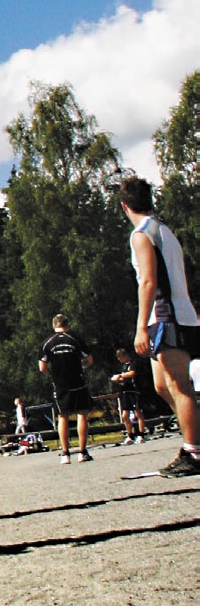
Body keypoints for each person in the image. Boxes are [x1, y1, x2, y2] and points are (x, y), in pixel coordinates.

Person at [118, 178, 200, 478]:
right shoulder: (164, 230)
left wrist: (140, 327)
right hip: (176, 313)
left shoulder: (142, 235)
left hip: (166, 315)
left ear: (125, 206)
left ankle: (194, 451)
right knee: (161, 386)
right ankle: (194, 440)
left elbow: (149, 281)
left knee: (180, 385)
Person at [38, 314, 94, 463]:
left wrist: (51, 376)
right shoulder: (75, 339)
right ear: (68, 325)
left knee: (63, 416)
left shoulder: (47, 344)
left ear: (53, 325)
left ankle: (65, 453)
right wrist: (83, 367)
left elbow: (42, 367)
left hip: (60, 383)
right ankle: (82, 452)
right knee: (81, 413)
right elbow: (89, 359)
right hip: (78, 381)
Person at [110, 346, 151, 445]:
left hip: (134, 391)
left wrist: (120, 376)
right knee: (125, 416)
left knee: (138, 413)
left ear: (125, 356)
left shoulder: (133, 363)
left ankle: (141, 434)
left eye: (120, 357)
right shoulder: (123, 366)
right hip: (125, 392)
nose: (120, 360)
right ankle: (130, 435)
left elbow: (132, 373)